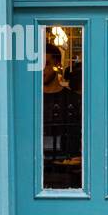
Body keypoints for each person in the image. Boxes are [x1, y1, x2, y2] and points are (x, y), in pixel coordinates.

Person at [42, 43, 83, 189]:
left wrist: (83, 156)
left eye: (46, 64)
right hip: (38, 171)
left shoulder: (74, 100)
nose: (42, 70)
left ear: (57, 65)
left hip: (70, 172)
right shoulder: (30, 102)